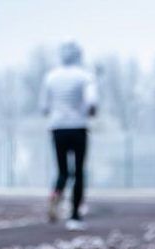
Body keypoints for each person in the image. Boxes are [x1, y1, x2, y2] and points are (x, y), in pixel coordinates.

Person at [40, 41, 98, 230]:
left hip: (58, 128)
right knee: (79, 171)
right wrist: (88, 113)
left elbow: (44, 107)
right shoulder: (84, 76)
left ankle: (56, 195)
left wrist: (57, 113)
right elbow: (92, 102)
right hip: (78, 127)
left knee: (62, 171)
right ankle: (74, 215)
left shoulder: (51, 77)